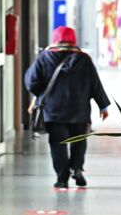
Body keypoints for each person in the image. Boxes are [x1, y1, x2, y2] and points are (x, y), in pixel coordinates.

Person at [25, 26, 110, 189]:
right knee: (79, 140)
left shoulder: (44, 58)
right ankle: (77, 168)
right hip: (79, 110)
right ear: (73, 39)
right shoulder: (84, 59)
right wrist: (103, 106)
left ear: (55, 38)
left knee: (58, 143)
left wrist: (41, 95)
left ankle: (62, 178)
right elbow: (95, 85)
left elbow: (31, 81)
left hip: (53, 110)